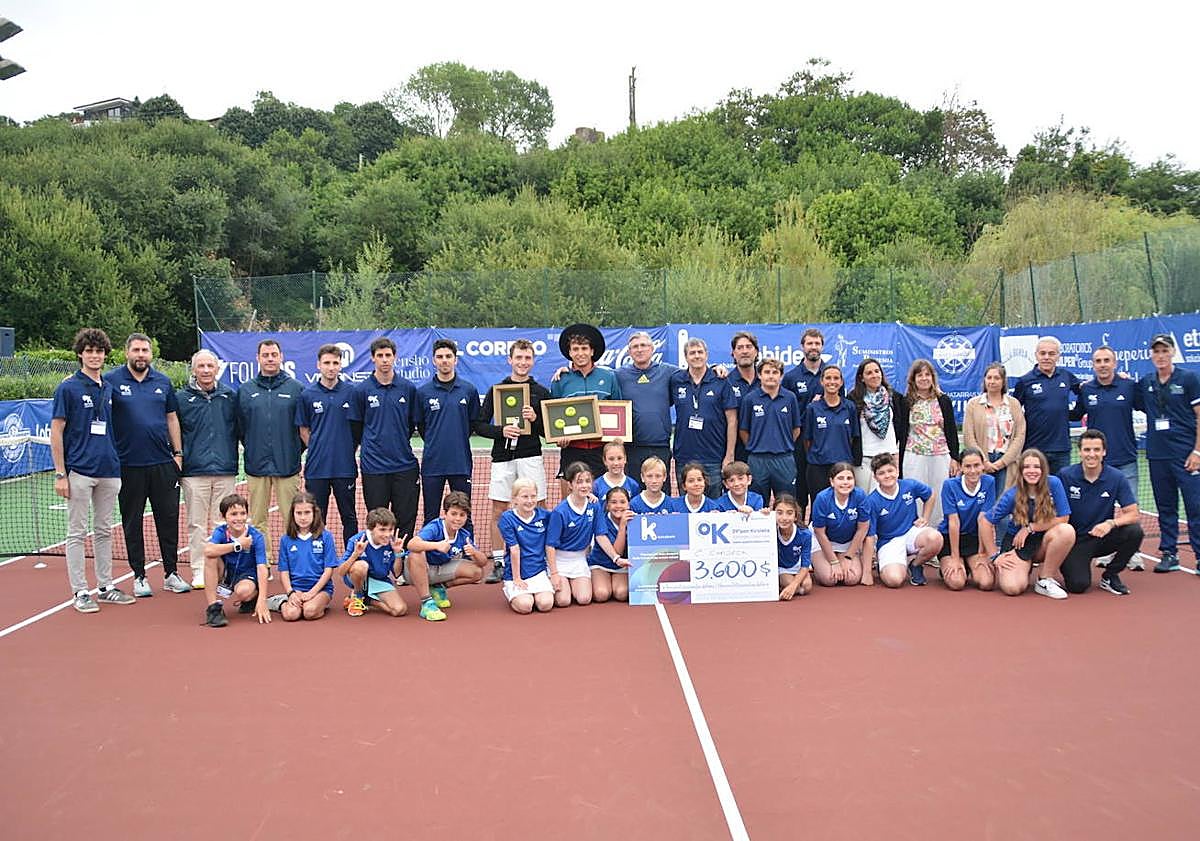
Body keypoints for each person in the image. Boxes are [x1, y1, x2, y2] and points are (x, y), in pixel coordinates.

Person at [50, 328, 137, 613]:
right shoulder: (68, 388)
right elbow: (57, 431)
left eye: (99, 351)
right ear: (80, 354)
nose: (95, 356)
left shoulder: (108, 387)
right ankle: (80, 591)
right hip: (79, 471)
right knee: (76, 533)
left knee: (104, 530)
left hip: (109, 470)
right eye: (89, 351)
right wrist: (61, 474)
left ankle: (105, 586)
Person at [105, 333, 188, 597]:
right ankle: (139, 575)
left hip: (163, 464)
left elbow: (172, 418)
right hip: (128, 466)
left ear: (151, 354)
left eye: (145, 350)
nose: (141, 355)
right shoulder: (111, 381)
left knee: (169, 520)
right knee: (132, 522)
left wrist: (178, 454)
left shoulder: (163, 382)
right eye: (136, 350)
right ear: (126, 352)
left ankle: (171, 573)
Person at [475, 338, 550, 583]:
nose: (522, 362)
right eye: (518, 357)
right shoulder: (497, 390)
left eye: (527, 358)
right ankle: (498, 561)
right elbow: (479, 425)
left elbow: (549, 431)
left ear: (533, 361)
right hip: (503, 457)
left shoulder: (540, 392)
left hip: (531, 456)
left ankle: (539, 559)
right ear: (510, 360)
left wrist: (536, 418)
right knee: (499, 509)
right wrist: (501, 431)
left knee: (538, 507)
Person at [236, 339, 304, 564]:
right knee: (257, 520)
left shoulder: (296, 388)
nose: (270, 358)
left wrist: (293, 450)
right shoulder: (246, 390)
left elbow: (302, 427)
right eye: (265, 355)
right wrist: (255, 448)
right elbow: (240, 427)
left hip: (288, 466)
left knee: (293, 518)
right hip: (256, 467)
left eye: (274, 354)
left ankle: (291, 561)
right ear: (258, 358)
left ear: (281, 357)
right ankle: (262, 560)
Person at [176, 349, 239, 590]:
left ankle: (222, 569)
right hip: (194, 472)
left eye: (209, 366)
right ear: (193, 370)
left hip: (225, 469)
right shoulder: (181, 398)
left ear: (216, 369)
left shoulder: (229, 397)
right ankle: (199, 570)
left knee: (224, 523)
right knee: (197, 524)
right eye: (200, 366)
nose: (205, 370)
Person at [352, 337, 420, 557]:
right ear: (373, 358)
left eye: (388, 355)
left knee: (405, 518)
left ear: (395, 357)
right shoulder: (361, 390)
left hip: (404, 466)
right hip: (374, 467)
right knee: (378, 520)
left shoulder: (407, 389)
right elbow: (357, 426)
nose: (384, 360)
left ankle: (402, 565)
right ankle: (377, 564)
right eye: (379, 356)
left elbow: (411, 424)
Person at [1139, 333, 1200, 573]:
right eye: (1156, 351)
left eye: (1165, 350)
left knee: (1195, 507)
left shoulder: (1189, 379)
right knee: (1165, 507)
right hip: (1157, 456)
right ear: (1151, 355)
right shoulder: (1146, 382)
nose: (1161, 355)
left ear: (1173, 352)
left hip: (1186, 455)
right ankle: (1169, 553)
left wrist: (1197, 452)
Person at [980, 449, 1076, 599]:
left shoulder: (1054, 483)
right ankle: (1024, 566)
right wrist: (994, 555)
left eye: (1036, 467)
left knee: (1066, 531)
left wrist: (1030, 528)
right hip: (1018, 544)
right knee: (1012, 588)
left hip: (1043, 540)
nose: (1032, 471)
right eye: (1027, 467)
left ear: (1043, 469)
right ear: (1021, 470)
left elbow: (1064, 518)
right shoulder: (1012, 494)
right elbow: (985, 521)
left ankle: (1044, 579)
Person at [1057, 430, 1144, 596]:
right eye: (1087, 450)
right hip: (1075, 541)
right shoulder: (1065, 475)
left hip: (1102, 537)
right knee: (1078, 585)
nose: (1092, 454)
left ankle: (1110, 575)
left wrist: (1110, 523)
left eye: (1096, 450)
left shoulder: (1116, 477)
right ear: (1080, 452)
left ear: (1104, 452)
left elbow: (1133, 514)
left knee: (1134, 531)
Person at [296, 344, 358, 547]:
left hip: (345, 467)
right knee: (315, 517)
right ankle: (316, 557)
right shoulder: (307, 395)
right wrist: (316, 448)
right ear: (318, 365)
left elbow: (358, 429)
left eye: (335, 363)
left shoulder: (352, 393)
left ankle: (352, 559)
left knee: (348, 516)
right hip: (317, 468)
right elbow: (303, 429)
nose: (331, 367)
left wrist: (348, 449)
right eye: (327, 363)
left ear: (341, 365)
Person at [550, 324, 622, 489]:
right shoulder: (560, 380)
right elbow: (553, 417)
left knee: (604, 500)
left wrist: (618, 437)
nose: (580, 353)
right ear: (569, 352)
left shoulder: (609, 377)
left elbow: (618, 409)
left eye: (584, 348)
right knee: (569, 501)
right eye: (575, 349)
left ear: (592, 351)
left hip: (601, 450)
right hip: (572, 450)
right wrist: (558, 438)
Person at [416, 338, 479, 525]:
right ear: (434, 360)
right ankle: (431, 553)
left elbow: (472, 423)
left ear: (455, 359)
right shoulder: (423, 392)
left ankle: (466, 552)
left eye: (448, 356)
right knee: (431, 515)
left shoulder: (468, 390)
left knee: (463, 515)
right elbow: (422, 427)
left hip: (460, 462)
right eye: (440, 357)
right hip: (432, 464)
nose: (444, 360)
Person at [669, 337, 737, 498]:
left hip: (713, 456)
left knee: (713, 507)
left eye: (700, 352)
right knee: (685, 505)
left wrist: (729, 455)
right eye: (692, 353)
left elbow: (732, 420)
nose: (697, 356)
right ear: (686, 357)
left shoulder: (720, 381)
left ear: (706, 355)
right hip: (684, 455)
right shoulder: (676, 380)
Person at [404, 491, 491, 614]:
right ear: (445, 514)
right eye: (453, 514)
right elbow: (411, 544)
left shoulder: (463, 535)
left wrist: (474, 553)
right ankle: (427, 602)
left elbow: (482, 562)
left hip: (439, 569)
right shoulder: (435, 527)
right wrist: (437, 545)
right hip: (415, 571)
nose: (457, 519)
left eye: (462, 515)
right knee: (416, 552)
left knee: (477, 572)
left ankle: (438, 587)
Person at [897, 359, 960, 526]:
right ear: (913, 379)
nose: (924, 378)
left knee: (939, 495)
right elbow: (901, 433)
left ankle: (938, 534)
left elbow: (951, 431)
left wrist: (955, 457)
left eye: (927, 375)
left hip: (940, 455)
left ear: (933, 378)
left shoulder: (943, 400)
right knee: (915, 494)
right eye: (920, 375)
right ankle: (917, 532)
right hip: (914, 455)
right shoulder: (906, 402)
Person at [865, 454, 942, 588]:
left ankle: (915, 564)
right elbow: (870, 536)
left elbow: (930, 495)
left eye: (890, 471)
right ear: (875, 477)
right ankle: (885, 565)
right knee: (894, 580)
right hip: (889, 541)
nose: (887, 476)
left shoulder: (909, 485)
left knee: (935, 538)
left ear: (897, 471)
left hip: (911, 533)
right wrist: (867, 571)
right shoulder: (872, 500)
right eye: (881, 473)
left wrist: (925, 517)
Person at [962, 362, 1026, 525]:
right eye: (989, 377)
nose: (992, 381)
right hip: (982, 463)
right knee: (983, 505)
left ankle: (999, 546)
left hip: (1006, 462)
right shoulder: (973, 404)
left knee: (1002, 506)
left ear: (1003, 381)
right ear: (984, 380)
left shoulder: (1014, 404)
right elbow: (969, 436)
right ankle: (982, 545)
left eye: (997, 378)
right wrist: (984, 462)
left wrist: (1000, 463)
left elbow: (1019, 436)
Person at [617, 331, 677, 493]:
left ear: (652, 349)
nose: (639, 349)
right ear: (629, 352)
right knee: (635, 494)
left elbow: (695, 372)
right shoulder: (619, 375)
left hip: (660, 446)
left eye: (643, 345)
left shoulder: (669, 372)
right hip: (632, 448)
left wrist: (714, 368)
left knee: (662, 494)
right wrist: (567, 370)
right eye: (635, 347)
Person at [783, 328, 836, 512]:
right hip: (798, 441)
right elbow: (787, 412)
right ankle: (799, 528)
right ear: (802, 347)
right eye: (809, 343)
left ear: (822, 346)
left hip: (823, 443)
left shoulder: (832, 375)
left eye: (817, 343)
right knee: (799, 489)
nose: (813, 347)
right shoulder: (791, 377)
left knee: (822, 490)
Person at [337, 507, 423, 619]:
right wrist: (355, 554)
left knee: (399, 610)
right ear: (371, 529)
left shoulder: (392, 542)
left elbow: (396, 573)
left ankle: (367, 600)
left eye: (390, 529)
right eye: (382, 530)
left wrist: (397, 553)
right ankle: (358, 596)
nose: (387, 534)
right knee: (361, 566)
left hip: (379, 579)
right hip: (358, 578)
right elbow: (341, 572)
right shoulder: (357, 540)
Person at [1013, 336, 1080, 476]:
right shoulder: (1025, 381)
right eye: (1042, 353)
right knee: (1034, 492)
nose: (1046, 357)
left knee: (1059, 492)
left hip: (1061, 449)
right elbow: (1013, 412)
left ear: (1058, 356)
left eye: (1051, 353)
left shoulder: (1066, 376)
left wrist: (1074, 414)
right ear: (1036, 355)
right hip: (1034, 449)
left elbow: (1087, 390)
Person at [201, 493, 270, 627]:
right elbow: (208, 550)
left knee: (243, 592)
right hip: (225, 573)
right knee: (210, 557)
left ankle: (252, 598)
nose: (239, 518)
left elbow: (262, 568)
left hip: (246, 575)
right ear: (223, 516)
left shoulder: (256, 536)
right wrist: (238, 545)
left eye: (242, 513)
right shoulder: (220, 532)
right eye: (234, 514)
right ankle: (213, 608)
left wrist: (262, 600)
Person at [739, 358, 800, 505]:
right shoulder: (750, 399)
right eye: (767, 372)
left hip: (784, 459)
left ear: (781, 376)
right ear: (759, 375)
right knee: (758, 505)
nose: (771, 376)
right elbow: (744, 431)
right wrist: (757, 445)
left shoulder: (790, 398)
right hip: (758, 460)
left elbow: (796, 429)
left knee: (787, 503)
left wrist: (782, 443)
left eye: (775, 372)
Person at [937, 447, 997, 592]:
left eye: (977, 465)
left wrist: (982, 554)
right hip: (950, 539)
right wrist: (955, 557)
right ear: (961, 467)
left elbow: (983, 520)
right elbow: (953, 522)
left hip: (974, 538)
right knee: (957, 583)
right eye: (968, 466)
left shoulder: (989, 482)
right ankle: (954, 564)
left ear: (983, 465)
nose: (973, 471)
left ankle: (969, 564)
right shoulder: (950, 485)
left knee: (986, 583)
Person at [273, 492, 338, 621]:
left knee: (309, 612)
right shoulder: (286, 539)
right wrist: (291, 592)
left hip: (320, 589)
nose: (303, 517)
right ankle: (280, 602)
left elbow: (328, 570)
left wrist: (312, 593)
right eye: (299, 513)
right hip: (295, 588)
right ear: (293, 514)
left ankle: (317, 603)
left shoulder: (326, 537)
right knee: (291, 615)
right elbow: (284, 571)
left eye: (307, 512)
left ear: (315, 513)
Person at [804, 365, 859, 510]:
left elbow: (853, 437)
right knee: (820, 505)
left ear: (841, 382)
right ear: (821, 382)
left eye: (836, 378)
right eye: (828, 378)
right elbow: (807, 440)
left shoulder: (850, 407)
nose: (832, 382)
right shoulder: (812, 408)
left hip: (842, 465)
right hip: (818, 466)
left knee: (844, 506)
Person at [498, 478, 555, 614]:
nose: (530, 501)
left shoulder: (545, 515)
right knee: (526, 606)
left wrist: (586, 496)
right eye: (524, 496)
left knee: (545, 604)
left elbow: (564, 514)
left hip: (539, 571)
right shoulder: (507, 518)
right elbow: (514, 550)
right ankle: (510, 588)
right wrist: (517, 578)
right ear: (515, 499)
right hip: (516, 573)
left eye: (533, 496)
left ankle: (535, 592)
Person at [809, 462, 870, 587]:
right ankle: (818, 562)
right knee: (829, 579)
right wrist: (834, 562)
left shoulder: (860, 496)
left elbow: (863, 528)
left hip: (847, 542)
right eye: (840, 478)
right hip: (823, 540)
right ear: (832, 482)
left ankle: (842, 557)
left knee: (851, 579)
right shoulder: (822, 498)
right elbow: (820, 532)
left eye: (849, 478)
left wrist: (848, 557)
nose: (845, 482)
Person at [848, 357, 900, 493]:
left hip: (889, 456)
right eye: (869, 373)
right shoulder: (853, 399)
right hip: (864, 458)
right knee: (865, 499)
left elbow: (899, 427)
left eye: (877, 371)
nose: (874, 375)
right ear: (862, 378)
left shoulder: (893, 397)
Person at [589, 487, 634, 603]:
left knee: (621, 594)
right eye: (613, 502)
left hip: (622, 566)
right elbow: (617, 553)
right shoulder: (601, 521)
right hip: (600, 564)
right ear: (607, 506)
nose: (618, 506)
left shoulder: (635, 520)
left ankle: (613, 582)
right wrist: (622, 526)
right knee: (601, 594)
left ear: (628, 504)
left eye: (622, 502)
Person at [727, 331, 760, 464]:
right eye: (740, 348)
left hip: (763, 451)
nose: (744, 351)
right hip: (736, 451)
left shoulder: (767, 382)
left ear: (756, 352)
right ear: (733, 354)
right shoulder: (726, 382)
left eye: (748, 347)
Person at [774, 494, 813, 600]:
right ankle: (780, 585)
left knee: (807, 587)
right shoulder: (770, 531)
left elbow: (805, 565)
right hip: (781, 568)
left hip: (797, 567)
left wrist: (793, 585)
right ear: (773, 513)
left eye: (789, 513)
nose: (784, 518)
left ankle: (786, 588)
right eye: (779, 513)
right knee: (794, 586)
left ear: (795, 516)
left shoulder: (805, 534)